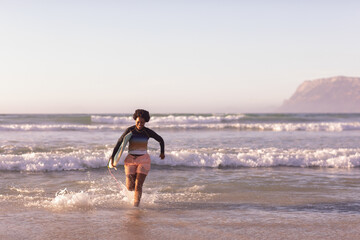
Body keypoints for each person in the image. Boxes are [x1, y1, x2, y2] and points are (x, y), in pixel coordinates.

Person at [109, 109, 165, 207]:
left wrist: (162, 152)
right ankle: (136, 196)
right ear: (135, 120)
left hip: (144, 160)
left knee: (138, 184)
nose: (140, 124)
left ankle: (136, 208)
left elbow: (161, 140)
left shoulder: (148, 132)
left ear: (145, 121)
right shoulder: (130, 130)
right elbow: (119, 142)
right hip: (130, 159)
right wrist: (113, 157)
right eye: (138, 122)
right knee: (130, 187)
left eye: (142, 122)